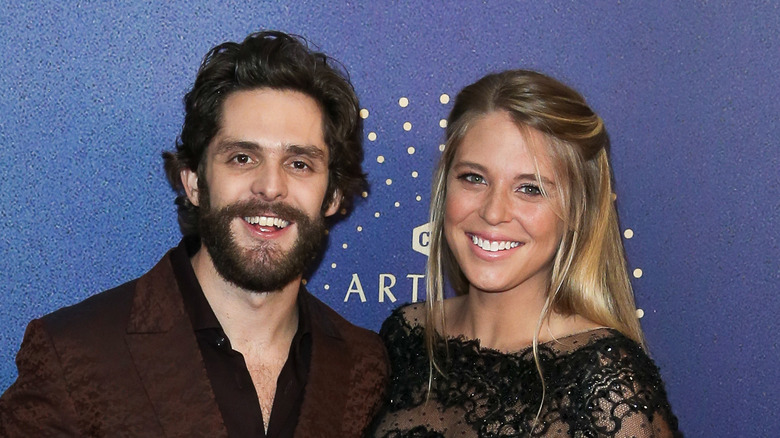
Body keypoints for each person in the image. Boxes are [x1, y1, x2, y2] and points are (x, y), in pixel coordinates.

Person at [0, 31, 388, 437]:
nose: (270, 186)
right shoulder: (74, 353)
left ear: (333, 197)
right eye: (242, 157)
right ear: (194, 184)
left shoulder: (362, 364)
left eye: (300, 164)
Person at [369, 70, 681, 437]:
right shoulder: (406, 336)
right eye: (474, 178)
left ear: (579, 211)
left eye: (530, 189)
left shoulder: (605, 384)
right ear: (444, 186)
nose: (493, 212)